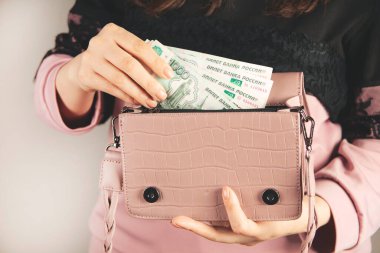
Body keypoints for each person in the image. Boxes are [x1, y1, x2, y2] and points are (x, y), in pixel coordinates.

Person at [34, 0, 380, 252]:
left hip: (299, 240)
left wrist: (314, 212)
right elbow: (64, 83)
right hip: (135, 239)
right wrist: (78, 73)